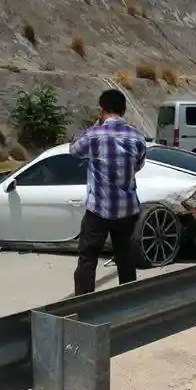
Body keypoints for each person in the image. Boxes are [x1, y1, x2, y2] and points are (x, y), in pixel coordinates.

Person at [70, 89, 147, 296]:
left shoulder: (94, 135)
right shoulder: (137, 137)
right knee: (125, 258)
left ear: (101, 110)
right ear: (124, 110)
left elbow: (74, 151)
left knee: (88, 258)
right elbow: (138, 166)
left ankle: (85, 304)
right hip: (127, 211)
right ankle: (128, 302)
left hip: (98, 211)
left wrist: (94, 126)